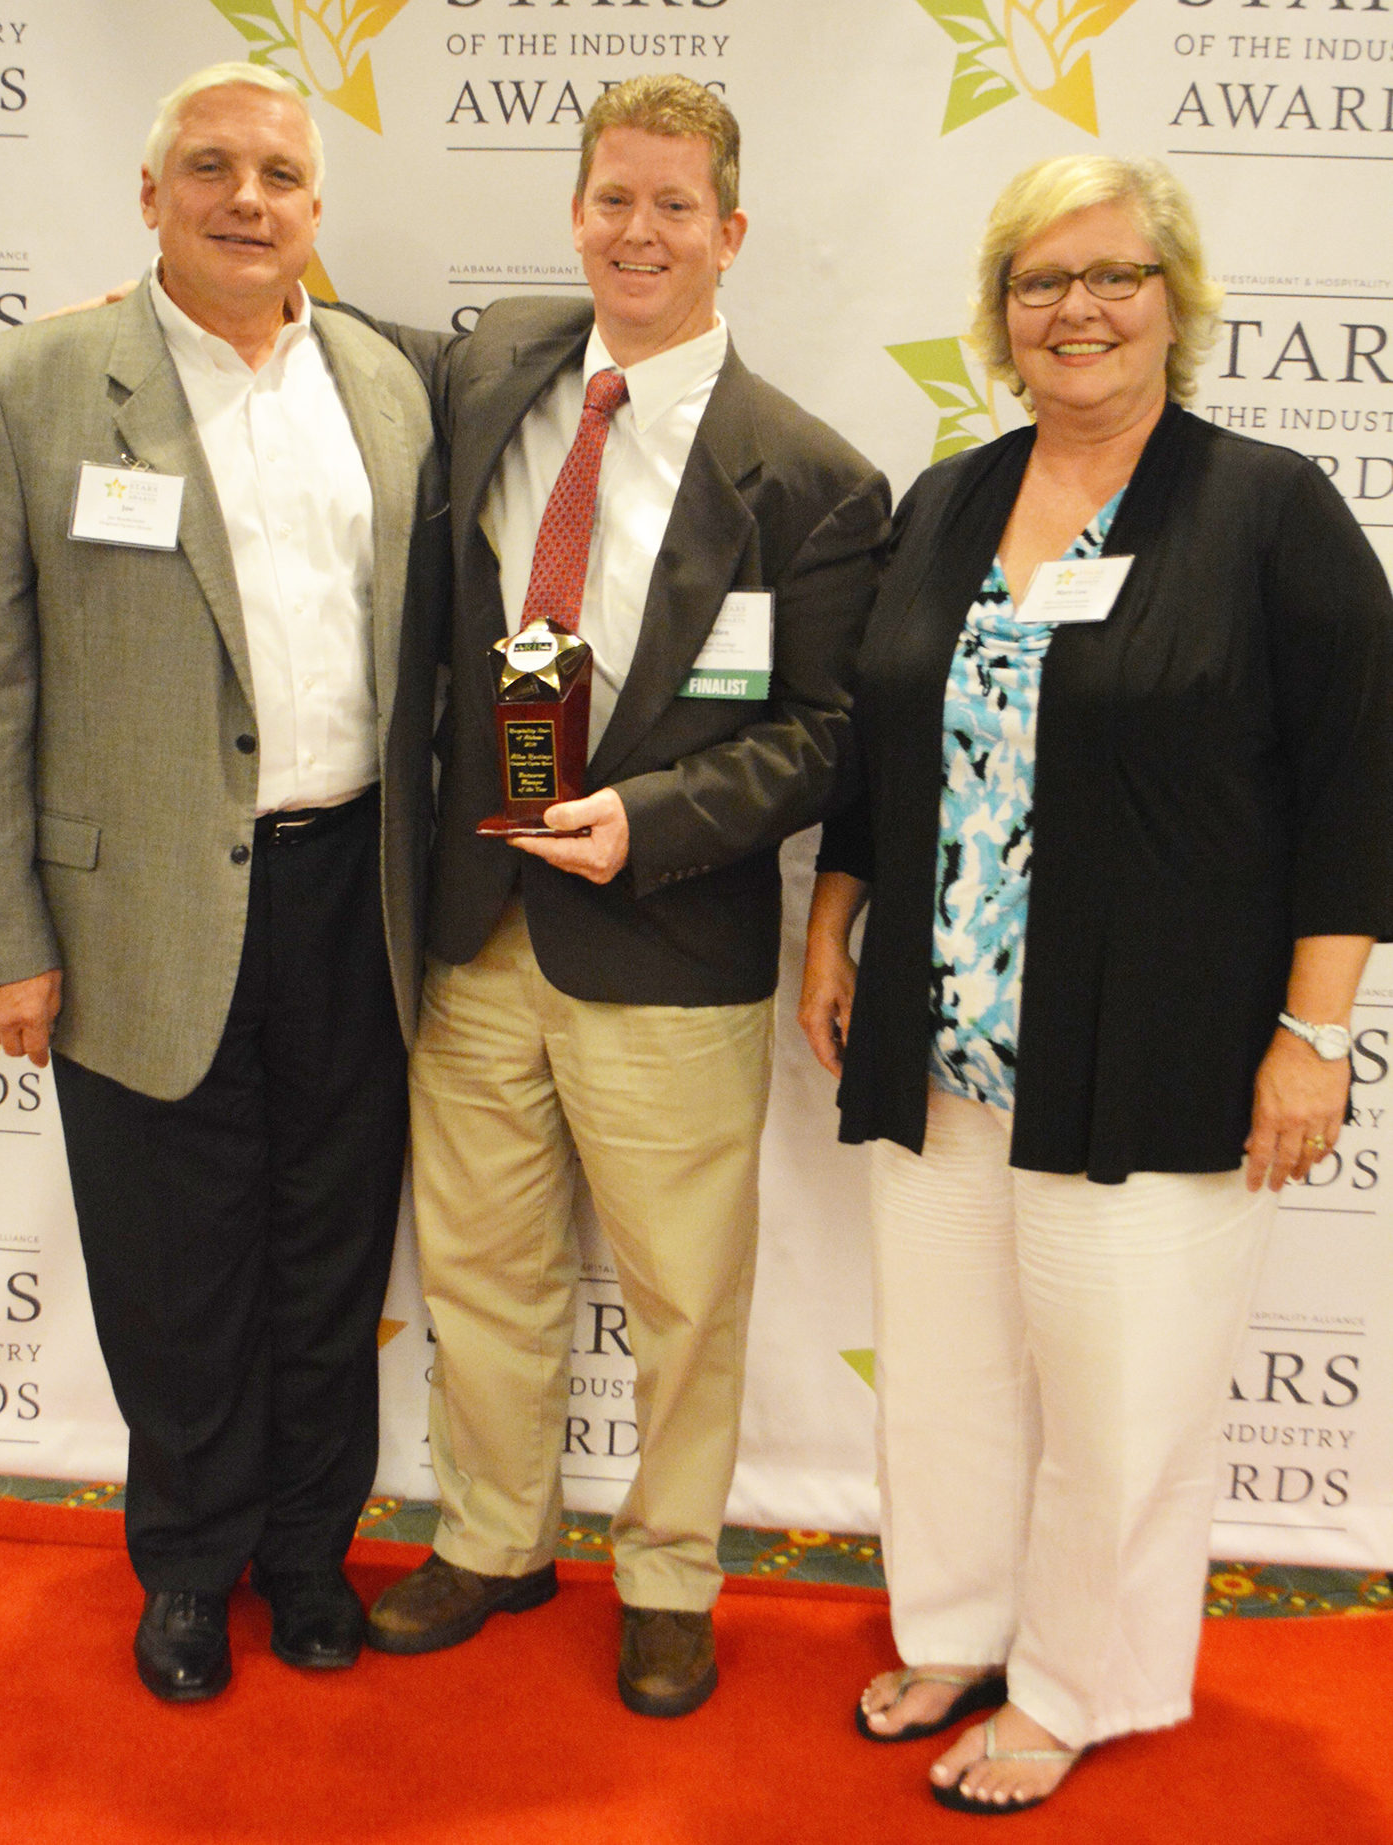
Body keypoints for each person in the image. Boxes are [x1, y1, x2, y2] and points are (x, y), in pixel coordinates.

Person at [798, 154, 1393, 1812]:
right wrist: (835, 911)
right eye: (1041, 282)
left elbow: (1358, 784)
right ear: (1001, 316)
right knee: (951, 1366)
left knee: (1124, 1394)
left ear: (1175, 300)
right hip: (946, 1038)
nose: (1078, 310)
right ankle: (963, 1620)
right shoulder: (948, 502)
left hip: (1163, 1046)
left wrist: (1315, 1033)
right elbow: (884, 737)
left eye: (1113, 276)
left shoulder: (1267, 509)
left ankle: (1077, 1680)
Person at [356, 75, 891, 1716]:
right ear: (574, 214)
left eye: (673, 207)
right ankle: (499, 1539)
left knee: (680, 1298)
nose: (637, 232)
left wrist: (649, 819)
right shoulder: (495, 366)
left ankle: (667, 1574)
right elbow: (325, 343)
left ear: (730, 233)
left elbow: (825, 734)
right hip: (474, 924)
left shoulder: (811, 477)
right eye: (612, 200)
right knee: (483, 1272)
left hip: (665, 941)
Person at [0, 62, 445, 1702]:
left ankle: (307, 1550)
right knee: (173, 1258)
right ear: (150, 197)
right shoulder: (26, 385)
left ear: (314, 209)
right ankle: (193, 1567)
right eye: (208, 170)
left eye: (278, 175)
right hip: (131, 911)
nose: (245, 200)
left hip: (353, 892)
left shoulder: (395, 378)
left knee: (329, 1247)